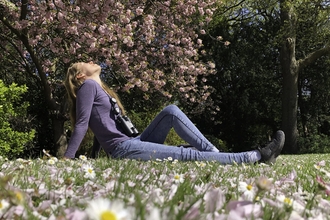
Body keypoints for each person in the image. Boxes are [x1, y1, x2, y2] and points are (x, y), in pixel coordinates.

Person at [63, 61, 285, 164]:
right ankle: (256, 157)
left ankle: (216, 156)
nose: (90, 61)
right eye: (84, 63)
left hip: (132, 141)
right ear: (80, 76)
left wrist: (94, 157)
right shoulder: (87, 87)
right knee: (186, 154)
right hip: (124, 149)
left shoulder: (99, 89)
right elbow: (83, 123)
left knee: (171, 111)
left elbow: (102, 128)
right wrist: (67, 158)